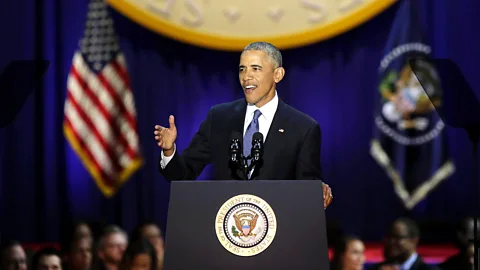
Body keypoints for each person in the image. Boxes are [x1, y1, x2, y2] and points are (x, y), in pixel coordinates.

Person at [154, 41, 333, 208]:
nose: (246, 77)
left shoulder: (303, 128)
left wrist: (316, 192)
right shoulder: (219, 118)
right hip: (225, 230)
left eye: (256, 69)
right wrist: (169, 151)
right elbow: (182, 175)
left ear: (277, 74)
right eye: (242, 69)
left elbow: (307, 193)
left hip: (278, 233)